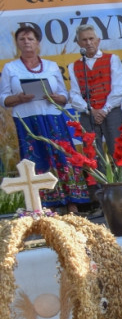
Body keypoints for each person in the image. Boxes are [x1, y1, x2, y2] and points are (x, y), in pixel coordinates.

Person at [0, 24, 86, 210]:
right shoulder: (10, 68)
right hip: (27, 120)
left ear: (38, 43)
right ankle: (47, 207)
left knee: (62, 157)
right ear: (17, 44)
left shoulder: (51, 66)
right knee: (36, 160)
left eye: (30, 39)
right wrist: (19, 98)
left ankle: (73, 205)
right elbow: (3, 99)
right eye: (22, 39)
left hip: (53, 118)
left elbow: (65, 96)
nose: (27, 42)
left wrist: (56, 97)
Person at [68, 24, 122, 175]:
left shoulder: (112, 59)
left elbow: (119, 89)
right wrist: (91, 111)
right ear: (78, 43)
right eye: (84, 40)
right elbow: (74, 95)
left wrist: (104, 110)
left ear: (98, 40)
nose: (88, 43)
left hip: (112, 112)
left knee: (118, 149)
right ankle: (100, 189)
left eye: (91, 39)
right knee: (93, 153)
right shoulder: (73, 66)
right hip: (89, 115)